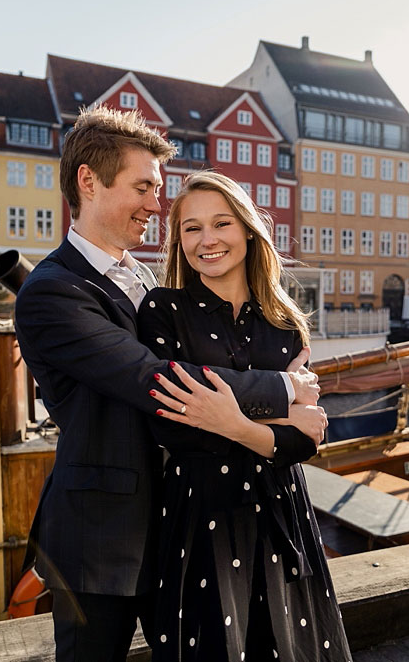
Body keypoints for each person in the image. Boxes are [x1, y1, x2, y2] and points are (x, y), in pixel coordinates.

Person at [14, 107, 321, 662]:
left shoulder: (144, 282)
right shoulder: (51, 291)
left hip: (178, 523)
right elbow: (154, 379)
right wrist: (283, 389)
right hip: (101, 538)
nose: (156, 204)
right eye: (143, 187)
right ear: (89, 180)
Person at [139, 171, 351, 661]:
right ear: (178, 241)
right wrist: (267, 421)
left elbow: (307, 439)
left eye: (221, 223)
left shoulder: (284, 321)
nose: (207, 240)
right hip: (201, 517)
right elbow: (174, 424)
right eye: (191, 229)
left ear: (249, 232)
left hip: (281, 513)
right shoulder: (163, 309)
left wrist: (231, 422)